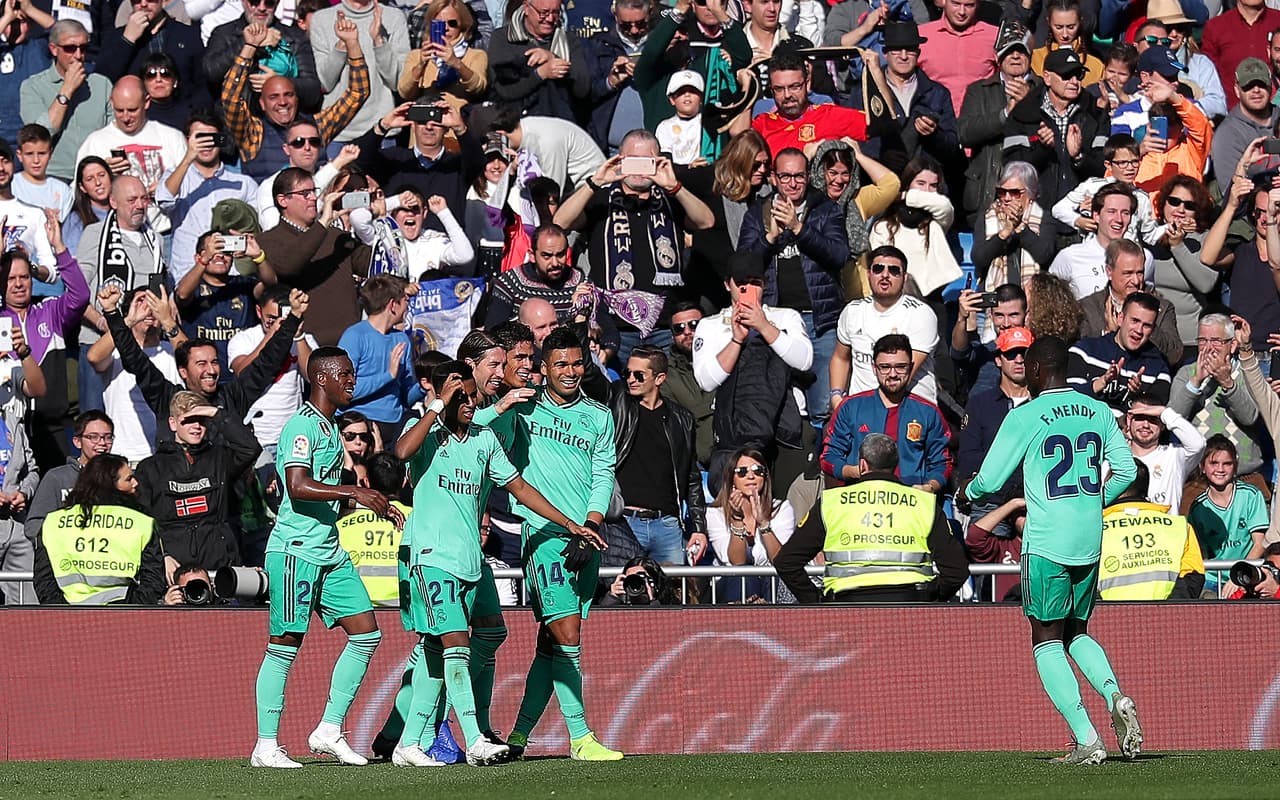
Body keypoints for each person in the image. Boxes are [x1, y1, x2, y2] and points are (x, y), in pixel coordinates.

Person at [391, 360, 595, 766]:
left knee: (445, 648)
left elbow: (519, 486)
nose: (468, 402)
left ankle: (407, 744)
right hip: (432, 557)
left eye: (471, 396)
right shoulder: (430, 434)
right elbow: (400, 452)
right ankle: (475, 737)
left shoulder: (484, 441)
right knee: (455, 645)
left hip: (470, 559)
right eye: (460, 397)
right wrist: (436, 405)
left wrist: (571, 523)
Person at [963, 335, 1141, 763]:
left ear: (1040, 370)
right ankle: (1115, 695)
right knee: (1077, 631)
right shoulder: (1098, 411)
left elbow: (988, 480)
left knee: (1045, 639)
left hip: (1046, 542)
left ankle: (1087, 739)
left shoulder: (1027, 415)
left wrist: (966, 493)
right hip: (1089, 538)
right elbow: (1128, 469)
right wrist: (1095, 499)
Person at [249, 347, 407, 769]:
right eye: (347, 376)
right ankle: (266, 745)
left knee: (367, 633)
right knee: (284, 645)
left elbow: (323, 496)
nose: (352, 383)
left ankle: (329, 729)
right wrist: (355, 490)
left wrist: (367, 503)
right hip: (296, 551)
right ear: (323, 378)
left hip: (328, 549)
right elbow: (297, 485)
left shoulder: (328, 427)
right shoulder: (301, 426)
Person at [472, 327, 622, 761]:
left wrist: (591, 524)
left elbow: (602, 474)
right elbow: (472, 428)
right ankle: (580, 737)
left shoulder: (598, 415)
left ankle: (518, 736)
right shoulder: (525, 409)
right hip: (542, 536)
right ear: (544, 368)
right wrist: (501, 403)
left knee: (552, 646)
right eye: (560, 364)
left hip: (585, 538)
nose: (570, 371)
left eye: (577, 363)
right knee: (567, 634)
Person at [555, 129, 714, 359]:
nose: (639, 171)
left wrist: (674, 187)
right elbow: (560, 222)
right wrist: (596, 181)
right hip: (613, 325)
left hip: (665, 324)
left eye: (646, 162)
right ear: (619, 160)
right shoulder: (602, 198)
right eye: (632, 161)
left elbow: (706, 221)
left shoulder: (670, 199)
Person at [777, 432, 967, 603]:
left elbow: (786, 561)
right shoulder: (923, 503)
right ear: (895, 466)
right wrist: (930, 598)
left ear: (862, 465)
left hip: (846, 610)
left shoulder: (832, 502)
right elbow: (956, 570)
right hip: (910, 609)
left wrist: (816, 601)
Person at [739, 146, 848, 423]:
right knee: (773, 404)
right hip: (774, 322)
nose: (793, 183)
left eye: (799, 176)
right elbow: (743, 265)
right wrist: (770, 237)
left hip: (820, 321)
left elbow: (839, 255)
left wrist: (800, 228)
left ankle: (820, 465)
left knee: (823, 407)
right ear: (773, 178)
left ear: (808, 177)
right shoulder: (757, 213)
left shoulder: (826, 209)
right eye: (785, 177)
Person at [691, 251, 813, 491]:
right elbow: (706, 380)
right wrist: (736, 340)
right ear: (728, 285)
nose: (748, 288)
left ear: (764, 284)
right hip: (738, 431)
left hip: (787, 428)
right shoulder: (711, 325)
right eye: (742, 283)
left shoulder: (785, 316)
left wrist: (764, 326)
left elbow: (804, 360)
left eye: (754, 283)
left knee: (788, 507)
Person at [220, 17, 369, 182]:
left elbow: (357, 93)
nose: (282, 102)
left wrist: (352, 43)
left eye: (288, 95)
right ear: (262, 103)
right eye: (273, 97)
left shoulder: (317, 126)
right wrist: (249, 47)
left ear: (297, 98)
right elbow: (229, 97)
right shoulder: (253, 133)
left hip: (315, 205)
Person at [136, 390, 261, 572]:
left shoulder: (220, 457)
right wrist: (161, 556)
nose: (196, 426)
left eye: (201, 420)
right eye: (188, 420)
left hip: (220, 564)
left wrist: (215, 413)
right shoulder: (150, 468)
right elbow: (141, 521)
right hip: (175, 569)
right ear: (173, 423)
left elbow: (250, 448)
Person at [609, 346, 707, 565]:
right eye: (627, 373)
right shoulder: (618, 400)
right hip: (625, 522)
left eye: (639, 375)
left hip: (667, 526)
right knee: (623, 593)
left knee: (673, 595)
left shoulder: (682, 419)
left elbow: (692, 479)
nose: (630, 379)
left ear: (660, 378)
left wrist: (699, 529)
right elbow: (590, 374)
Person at [821, 334, 951, 492]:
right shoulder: (851, 407)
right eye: (885, 367)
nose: (893, 374)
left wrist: (929, 487)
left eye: (900, 367)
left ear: (910, 367)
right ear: (874, 368)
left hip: (910, 500)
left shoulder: (928, 413)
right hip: (861, 497)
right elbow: (829, 457)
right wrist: (855, 471)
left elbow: (942, 463)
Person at [258, 169, 372, 346]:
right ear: (283, 200)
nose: (313, 198)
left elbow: (372, 264)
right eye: (305, 193)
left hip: (350, 345)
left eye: (313, 192)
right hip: (304, 349)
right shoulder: (268, 240)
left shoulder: (335, 235)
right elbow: (289, 266)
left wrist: (379, 222)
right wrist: (323, 223)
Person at [32, 453, 165, 604]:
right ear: (109, 484)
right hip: (123, 619)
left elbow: (44, 582)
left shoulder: (53, 522)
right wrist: (129, 611)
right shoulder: (141, 522)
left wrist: (63, 613)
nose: (135, 483)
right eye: (128, 479)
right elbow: (153, 581)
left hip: (68, 619)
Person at [227, 287, 317, 511]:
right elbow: (242, 371)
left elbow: (313, 376)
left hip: (291, 438)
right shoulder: (244, 339)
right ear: (258, 312)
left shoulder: (304, 338)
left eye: (282, 318)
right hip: (258, 437)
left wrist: (296, 335)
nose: (277, 323)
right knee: (260, 509)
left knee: (291, 506)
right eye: (271, 319)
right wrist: (272, 336)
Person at [1002, 47, 1108, 214]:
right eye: (1066, 76)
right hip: (1037, 214)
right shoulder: (1023, 114)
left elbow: (1105, 168)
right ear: (1047, 77)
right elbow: (1012, 168)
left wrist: (1079, 157)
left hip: (1082, 213)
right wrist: (1042, 149)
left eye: (1079, 75)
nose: (1074, 82)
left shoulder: (1096, 115)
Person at [157, 111, 259, 282]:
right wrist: (188, 158)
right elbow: (164, 201)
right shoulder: (175, 177)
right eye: (199, 138)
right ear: (187, 140)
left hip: (234, 276)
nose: (206, 144)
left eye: (212, 138)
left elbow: (257, 228)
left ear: (221, 139)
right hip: (188, 275)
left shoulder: (243, 183)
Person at [830, 244, 937, 403]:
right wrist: (836, 396)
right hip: (860, 410)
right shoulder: (852, 311)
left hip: (910, 409)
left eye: (894, 271)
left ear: (904, 277)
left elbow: (899, 377)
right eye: (878, 269)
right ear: (868, 274)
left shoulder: (920, 314)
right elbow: (840, 358)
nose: (885, 275)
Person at [959, 18, 1038, 225]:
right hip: (987, 191)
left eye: (1021, 51)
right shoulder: (979, 90)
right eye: (1008, 50)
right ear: (997, 55)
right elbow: (965, 133)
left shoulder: (1043, 89)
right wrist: (1004, 114)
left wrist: (1029, 104)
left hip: (1030, 195)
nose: (1014, 56)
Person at [1169, 314, 1264, 477]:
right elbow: (1171, 418)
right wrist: (1195, 383)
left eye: (1216, 341)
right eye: (1202, 341)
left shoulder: (1248, 373)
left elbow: (1250, 417)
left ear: (1232, 344)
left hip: (1243, 474)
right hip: (1198, 475)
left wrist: (1228, 383)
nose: (1208, 347)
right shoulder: (1186, 373)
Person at [19, 20, 113, 182]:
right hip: (53, 177)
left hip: (95, 177)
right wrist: (67, 90)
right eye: (70, 48)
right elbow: (38, 137)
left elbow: (113, 132)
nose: (78, 55)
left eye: (83, 48)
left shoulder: (101, 84)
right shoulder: (32, 87)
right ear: (54, 49)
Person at [309, 0, 410, 147]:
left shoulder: (393, 17)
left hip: (382, 129)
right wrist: (343, 44)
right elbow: (326, 82)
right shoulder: (322, 18)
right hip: (338, 131)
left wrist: (378, 40)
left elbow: (397, 82)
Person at [1099, 460, 1204, 601]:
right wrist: (1162, 613)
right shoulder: (1180, 527)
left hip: (1109, 619)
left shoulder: (1094, 531)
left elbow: (1081, 581)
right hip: (1165, 619)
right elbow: (1193, 577)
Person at [337, 275, 423, 444]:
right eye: (405, 300)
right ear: (393, 305)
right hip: (357, 428)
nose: (408, 306)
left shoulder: (401, 340)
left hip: (393, 427)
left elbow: (405, 396)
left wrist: (423, 385)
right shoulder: (354, 336)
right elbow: (343, 390)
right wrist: (388, 375)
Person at [704, 447, 797, 602]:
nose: (751, 476)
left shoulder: (782, 509)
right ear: (731, 478)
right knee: (744, 577)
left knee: (780, 579)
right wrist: (737, 520)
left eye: (757, 470)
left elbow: (780, 560)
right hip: (732, 585)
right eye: (742, 471)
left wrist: (764, 523)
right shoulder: (714, 514)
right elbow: (737, 562)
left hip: (771, 583)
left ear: (765, 477)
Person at [204, 0, 325, 113]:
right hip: (237, 119)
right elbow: (211, 73)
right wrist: (248, 43)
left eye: (269, 2)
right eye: (254, 1)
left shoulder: (295, 37)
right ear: (243, 1)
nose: (262, 8)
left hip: (284, 119)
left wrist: (280, 83)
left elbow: (312, 92)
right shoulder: (224, 33)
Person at [1077, 239, 1182, 368]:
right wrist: (1107, 335)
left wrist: (1147, 322)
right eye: (1128, 273)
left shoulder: (1162, 307)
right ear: (1109, 271)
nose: (1136, 281)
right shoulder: (1087, 307)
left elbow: (1174, 355)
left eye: (1140, 273)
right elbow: (1079, 354)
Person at [1187, 435, 1269, 598]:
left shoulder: (1251, 496)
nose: (1220, 469)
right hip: (1212, 578)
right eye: (1214, 463)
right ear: (1202, 467)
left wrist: (1238, 577)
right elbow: (1200, 553)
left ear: (1235, 466)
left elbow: (1260, 544)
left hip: (1247, 573)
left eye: (1227, 464)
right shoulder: (1198, 507)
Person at [1067, 292, 1173, 411]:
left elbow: (1155, 417)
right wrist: (1100, 383)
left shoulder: (1158, 367)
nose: (1139, 330)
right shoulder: (1085, 351)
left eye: (1146, 325)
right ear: (1120, 318)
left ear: (1153, 330)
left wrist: (1137, 397)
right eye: (1135, 321)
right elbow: (1066, 400)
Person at [750, 51, 866, 157]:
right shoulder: (762, 125)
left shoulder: (829, 115)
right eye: (779, 89)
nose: (787, 95)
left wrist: (876, 72)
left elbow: (879, 123)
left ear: (807, 83)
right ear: (771, 90)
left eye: (794, 87)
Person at [487, 0, 591, 118]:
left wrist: (554, 58)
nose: (550, 19)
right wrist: (540, 74)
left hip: (560, 121)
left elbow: (583, 89)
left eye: (556, 12)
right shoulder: (502, 39)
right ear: (526, 8)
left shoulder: (569, 41)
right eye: (544, 12)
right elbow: (504, 91)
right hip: (516, 122)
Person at [1049, 184, 1152, 300]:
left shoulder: (1144, 257)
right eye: (1111, 211)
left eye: (1125, 213)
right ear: (1096, 216)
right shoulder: (1070, 256)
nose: (1119, 219)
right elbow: (1049, 299)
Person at [24, 411, 114, 544]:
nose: (102, 443)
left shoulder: (120, 477)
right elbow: (33, 526)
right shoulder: (56, 477)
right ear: (77, 442)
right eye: (93, 437)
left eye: (108, 437)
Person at [1131, 48, 1211, 196]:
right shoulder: (1137, 155)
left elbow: (1201, 127)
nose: (1166, 129)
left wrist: (1172, 97)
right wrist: (1137, 154)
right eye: (1159, 121)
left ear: (1182, 127)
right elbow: (1113, 181)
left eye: (1172, 122)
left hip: (1184, 215)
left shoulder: (1191, 151)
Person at [1149, 175, 1216, 351]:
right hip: (1150, 336)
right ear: (1163, 203)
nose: (1180, 209)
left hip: (1189, 341)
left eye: (1189, 205)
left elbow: (1206, 284)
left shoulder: (1205, 239)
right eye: (1174, 201)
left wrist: (1178, 246)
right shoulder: (1148, 235)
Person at [971, 161, 1055, 290]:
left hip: (1034, 296)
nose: (1007, 198)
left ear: (1030, 194)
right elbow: (979, 259)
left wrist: (1021, 227)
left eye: (1014, 192)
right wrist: (1003, 234)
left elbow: (1044, 255)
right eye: (1002, 192)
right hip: (995, 296)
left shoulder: (1044, 219)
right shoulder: (986, 218)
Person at [398, 0, 488, 108]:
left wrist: (457, 64)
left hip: (458, 119)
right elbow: (404, 93)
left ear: (463, 26)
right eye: (439, 24)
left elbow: (478, 87)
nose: (446, 28)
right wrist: (421, 65)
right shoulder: (417, 55)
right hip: (425, 120)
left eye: (452, 23)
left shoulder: (476, 55)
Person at [916, 0, 997, 116]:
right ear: (943, 2)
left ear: (978, 5)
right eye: (956, 4)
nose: (962, 12)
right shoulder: (921, 36)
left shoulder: (993, 36)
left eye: (969, 5)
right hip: (935, 119)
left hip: (980, 120)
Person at [951, 283, 1028, 400]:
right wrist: (962, 318)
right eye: (999, 315)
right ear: (991, 316)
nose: (1006, 324)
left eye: (1013, 315)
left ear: (1026, 315)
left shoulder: (1036, 352)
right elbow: (959, 353)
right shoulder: (983, 352)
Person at [1200, 0, 1280, 111]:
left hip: (1276, 115)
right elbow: (1207, 78)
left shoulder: (1277, 20)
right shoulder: (1215, 27)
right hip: (1231, 117)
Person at [660, 303, 714, 468]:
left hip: (734, 457)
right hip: (694, 462)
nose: (687, 332)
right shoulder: (665, 373)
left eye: (694, 325)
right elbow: (676, 419)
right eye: (679, 329)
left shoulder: (728, 359)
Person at [1211, 58, 1275, 190]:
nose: (1256, 90)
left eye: (1261, 84)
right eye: (1248, 86)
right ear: (1237, 90)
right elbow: (1231, 194)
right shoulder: (1227, 135)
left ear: (1270, 87)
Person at [12, 124, 74, 224]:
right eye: (29, 154)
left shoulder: (63, 190)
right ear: (19, 155)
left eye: (41, 153)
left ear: (50, 154)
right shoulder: (10, 187)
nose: (36, 160)